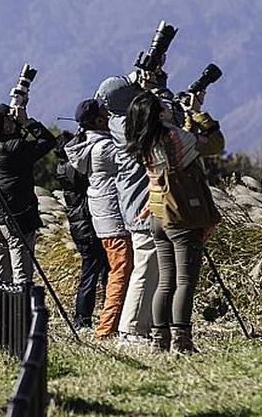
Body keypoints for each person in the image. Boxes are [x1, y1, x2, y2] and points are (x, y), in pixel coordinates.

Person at [125, 90, 224, 353]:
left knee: (166, 280)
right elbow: (214, 144)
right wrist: (197, 113)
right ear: (157, 114)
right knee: (185, 281)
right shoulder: (173, 136)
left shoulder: (146, 141)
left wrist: (185, 121)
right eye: (163, 106)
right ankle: (181, 341)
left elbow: (181, 147)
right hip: (181, 216)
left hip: (159, 215)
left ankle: (160, 339)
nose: (168, 107)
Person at [96, 76, 160, 345]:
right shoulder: (128, 125)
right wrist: (157, 91)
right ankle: (132, 329)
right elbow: (163, 124)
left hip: (135, 204)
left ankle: (141, 326)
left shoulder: (118, 121)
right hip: (141, 205)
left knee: (148, 267)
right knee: (144, 268)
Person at [64, 99, 133, 341]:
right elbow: (133, 154)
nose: (110, 115)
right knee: (120, 273)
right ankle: (106, 330)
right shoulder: (104, 148)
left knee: (112, 273)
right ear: (98, 120)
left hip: (106, 219)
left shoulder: (90, 146)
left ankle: (112, 324)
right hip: (114, 220)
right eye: (106, 113)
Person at [0, 104, 55, 285]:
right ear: (5, 126)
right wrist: (26, 121)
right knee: (22, 278)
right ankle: (21, 311)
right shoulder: (16, 149)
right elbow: (47, 141)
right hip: (16, 220)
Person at [55, 131, 108, 331]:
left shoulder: (62, 167)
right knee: (92, 275)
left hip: (81, 229)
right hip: (88, 228)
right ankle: (83, 319)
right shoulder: (71, 168)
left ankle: (89, 317)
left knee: (93, 273)